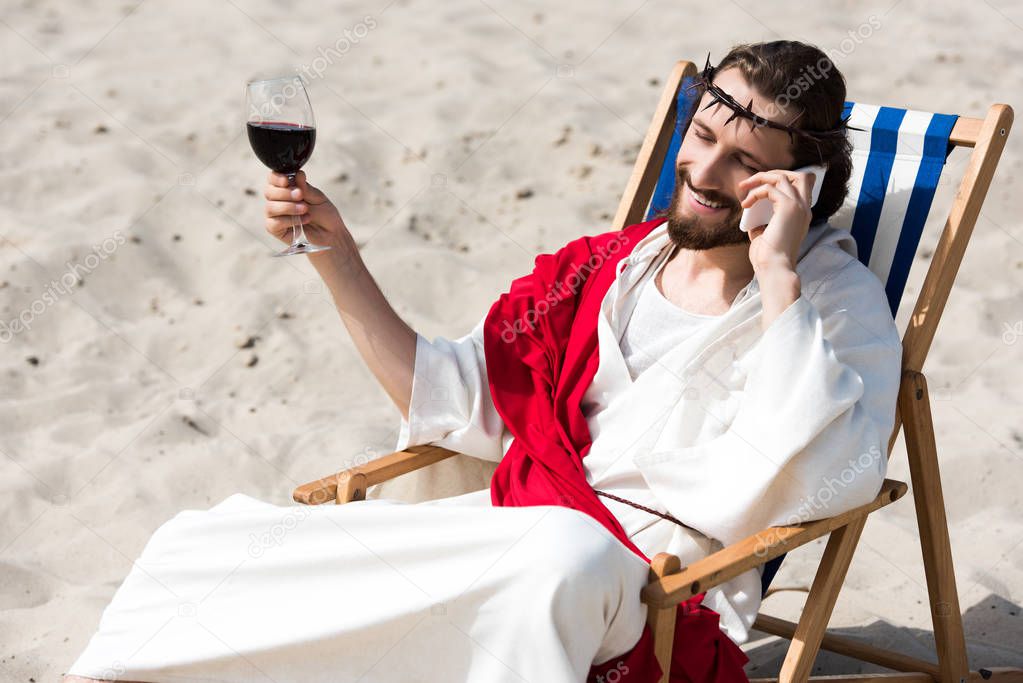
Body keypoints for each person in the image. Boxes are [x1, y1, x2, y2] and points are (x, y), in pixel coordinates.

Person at [66, 40, 901, 683]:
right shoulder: (608, 266)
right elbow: (457, 398)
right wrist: (337, 255)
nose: (703, 172)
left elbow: (838, 473)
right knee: (215, 543)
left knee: (557, 556)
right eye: (702, 136)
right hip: (519, 532)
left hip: (654, 593)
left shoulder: (833, 303)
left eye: (743, 163)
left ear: (798, 186)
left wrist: (777, 270)